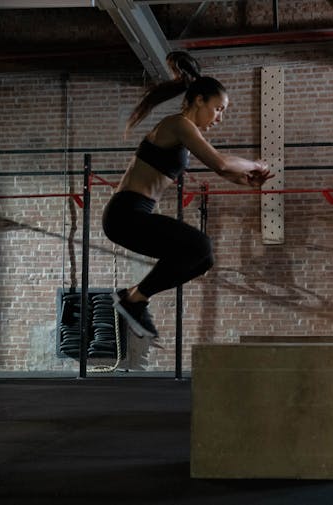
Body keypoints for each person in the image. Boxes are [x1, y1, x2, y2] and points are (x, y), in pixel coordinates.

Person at [102, 52, 272, 345]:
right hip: (126, 215)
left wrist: (245, 181)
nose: (220, 118)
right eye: (218, 109)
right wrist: (255, 165)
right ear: (199, 101)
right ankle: (133, 300)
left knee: (201, 257)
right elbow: (219, 162)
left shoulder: (184, 135)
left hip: (131, 217)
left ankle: (133, 298)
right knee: (199, 245)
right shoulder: (178, 125)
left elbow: (223, 170)